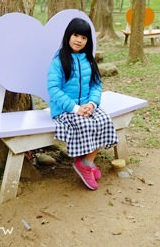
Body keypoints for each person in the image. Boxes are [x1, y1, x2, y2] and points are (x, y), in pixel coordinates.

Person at [47, 17, 118, 190]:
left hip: (87, 106)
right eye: (76, 35)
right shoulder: (59, 60)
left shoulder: (89, 60)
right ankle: (83, 164)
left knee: (104, 121)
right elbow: (53, 89)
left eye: (84, 37)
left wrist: (92, 104)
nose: (79, 40)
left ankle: (86, 162)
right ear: (68, 36)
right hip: (65, 109)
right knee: (86, 125)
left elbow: (96, 84)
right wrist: (75, 108)